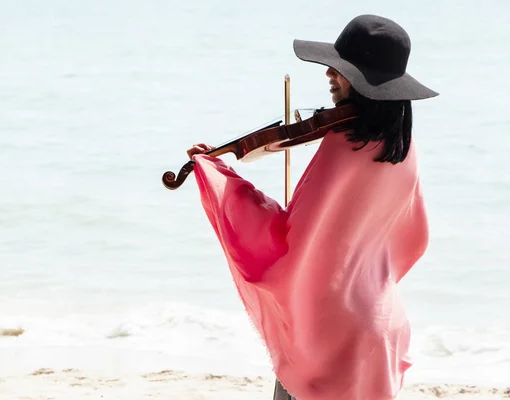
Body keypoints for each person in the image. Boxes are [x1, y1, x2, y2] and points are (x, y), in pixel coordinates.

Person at [186, 14, 438, 400]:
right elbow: (411, 240)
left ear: (363, 81)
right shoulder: (402, 148)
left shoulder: (344, 144)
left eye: (339, 69)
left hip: (331, 336)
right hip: (381, 322)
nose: (328, 76)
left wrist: (221, 180)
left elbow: (291, 242)